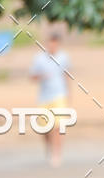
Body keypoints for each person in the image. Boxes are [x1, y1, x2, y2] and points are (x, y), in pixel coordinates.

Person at [29, 31, 71, 167]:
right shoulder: (39, 59)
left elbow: (67, 76)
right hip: (44, 98)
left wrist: (69, 95)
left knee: (57, 127)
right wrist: (41, 76)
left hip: (59, 95)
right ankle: (49, 148)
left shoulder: (64, 57)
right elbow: (32, 76)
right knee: (45, 128)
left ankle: (57, 153)